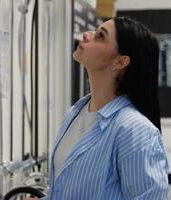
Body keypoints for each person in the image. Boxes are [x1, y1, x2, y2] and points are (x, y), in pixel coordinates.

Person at [30, 17, 169, 200]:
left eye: (100, 36)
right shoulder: (76, 112)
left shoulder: (135, 130)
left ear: (120, 62)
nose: (87, 35)